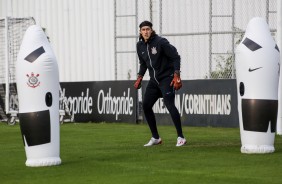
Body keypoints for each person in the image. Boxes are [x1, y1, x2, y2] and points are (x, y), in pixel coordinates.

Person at [134, 20, 187, 147]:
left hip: (166, 79)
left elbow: (175, 57)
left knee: (169, 104)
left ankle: (181, 137)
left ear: (151, 30)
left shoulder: (160, 42)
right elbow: (143, 63)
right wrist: (140, 77)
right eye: (143, 30)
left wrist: (176, 74)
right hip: (154, 81)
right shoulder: (139, 46)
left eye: (148, 29)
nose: (146, 31)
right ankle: (156, 138)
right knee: (146, 106)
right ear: (140, 32)